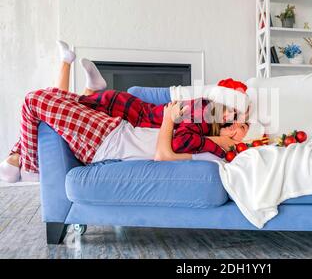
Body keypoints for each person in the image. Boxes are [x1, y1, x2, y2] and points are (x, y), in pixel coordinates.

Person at [0, 41, 259, 183]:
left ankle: (28, 166)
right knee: (56, 101)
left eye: (242, 130)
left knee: (35, 100)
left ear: (242, 142)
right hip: (115, 128)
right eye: (238, 122)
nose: (236, 127)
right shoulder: (205, 133)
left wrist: (171, 121)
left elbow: (164, 155)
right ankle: (17, 158)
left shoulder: (214, 154)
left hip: (106, 142)